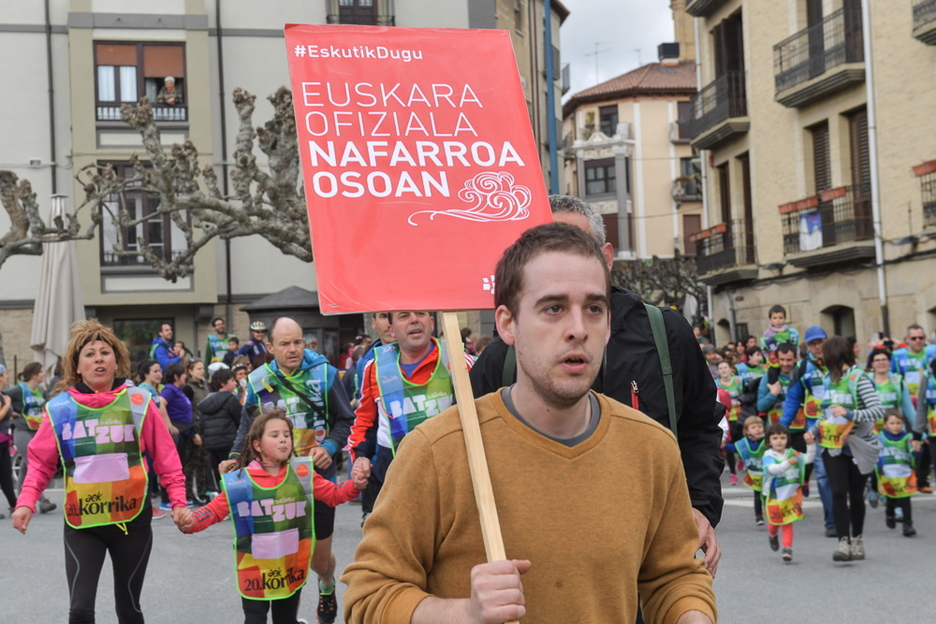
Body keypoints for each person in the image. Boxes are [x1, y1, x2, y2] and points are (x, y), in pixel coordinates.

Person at [343, 222, 716, 623]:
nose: (577, 329)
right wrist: (464, 613)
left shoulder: (651, 447)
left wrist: (691, 615)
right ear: (507, 324)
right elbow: (368, 598)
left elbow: (674, 577)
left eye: (594, 308)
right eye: (553, 308)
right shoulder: (438, 451)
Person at [469, 195, 723, 575]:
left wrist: (699, 507)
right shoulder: (503, 356)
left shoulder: (664, 334)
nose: (577, 330)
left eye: (574, 244)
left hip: (650, 558)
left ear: (605, 256)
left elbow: (700, 426)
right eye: (547, 247)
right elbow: (470, 455)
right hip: (545, 567)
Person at [11, 319, 190, 623]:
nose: (98, 359)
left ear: (116, 361)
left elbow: (166, 458)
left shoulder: (138, 402)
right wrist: (26, 501)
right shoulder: (60, 408)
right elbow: (40, 462)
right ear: (77, 366)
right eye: (90, 354)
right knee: (80, 610)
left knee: (129, 608)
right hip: (83, 523)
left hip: (131, 520)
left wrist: (179, 502)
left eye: (105, 353)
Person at [223, 316, 355, 624]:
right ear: (270, 346)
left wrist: (330, 448)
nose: (293, 349)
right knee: (285, 558)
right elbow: (247, 426)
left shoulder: (324, 373)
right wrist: (233, 456)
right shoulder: (257, 380)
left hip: (317, 479)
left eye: (298, 341)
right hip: (276, 485)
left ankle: (326, 584)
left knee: (318, 561)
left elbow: (345, 420)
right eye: (285, 344)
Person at [180, 409, 364, 624]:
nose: (283, 440)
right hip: (254, 571)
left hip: (290, 569)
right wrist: (190, 522)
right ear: (257, 445)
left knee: (285, 620)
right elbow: (214, 510)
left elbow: (333, 494)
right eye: (275, 435)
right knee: (254, 620)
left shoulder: (302, 472)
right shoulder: (241, 480)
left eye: (286, 435)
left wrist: (355, 485)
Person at [348, 310, 473, 523]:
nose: (414, 320)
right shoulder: (375, 367)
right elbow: (364, 421)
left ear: (431, 323)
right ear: (392, 329)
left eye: (421, 314)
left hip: (447, 478)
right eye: (404, 316)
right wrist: (360, 457)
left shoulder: (459, 361)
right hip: (394, 477)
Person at [804, 335, 884, 562]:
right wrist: (813, 429)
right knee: (838, 492)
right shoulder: (829, 379)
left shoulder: (859, 379)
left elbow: (878, 411)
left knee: (856, 495)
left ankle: (857, 539)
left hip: (857, 446)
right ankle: (843, 542)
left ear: (834, 355)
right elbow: (826, 412)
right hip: (832, 445)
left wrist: (850, 414)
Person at [780, 324, 835, 536]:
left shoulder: (838, 362)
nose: (818, 346)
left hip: (843, 427)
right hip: (815, 430)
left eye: (820, 341)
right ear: (807, 346)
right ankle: (832, 521)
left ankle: (844, 512)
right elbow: (793, 400)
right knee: (822, 474)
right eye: (813, 343)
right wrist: (782, 428)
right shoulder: (802, 368)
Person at [8, 361, 56, 514]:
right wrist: (9, 411)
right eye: (42, 371)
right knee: (34, 463)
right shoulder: (19, 390)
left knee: (25, 467)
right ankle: (42, 501)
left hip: (36, 431)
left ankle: (19, 501)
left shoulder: (41, 390)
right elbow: (4, 395)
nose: (44, 374)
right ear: (35, 374)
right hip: (22, 431)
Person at [893, 324, 935, 492]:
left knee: (926, 444)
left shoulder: (931, 353)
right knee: (910, 443)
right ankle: (905, 479)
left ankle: (922, 480)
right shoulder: (898, 356)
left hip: (928, 406)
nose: (918, 341)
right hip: (907, 408)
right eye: (914, 338)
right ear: (907, 339)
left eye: (921, 338)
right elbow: (893, 377)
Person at [136, 359, 178, 518]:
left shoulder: (155, 389)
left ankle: (150, 506)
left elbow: (161, 410)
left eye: (160, 371)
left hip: (155, 434)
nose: (159, 374)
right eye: (155, 371)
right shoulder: (143, 390)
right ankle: (146, 507)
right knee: (148, 471)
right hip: (146, 436)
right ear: (146, 374)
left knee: (154, 470)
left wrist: (167, 425)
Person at [762, 424, 804, 563]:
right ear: (769, 441)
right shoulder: (768, 455)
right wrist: (788, 463)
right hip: (774, 495)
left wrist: (810, 445)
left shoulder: (792, 453)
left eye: (782, 438)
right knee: (775, 522)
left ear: (787, 439)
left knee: (788, 522)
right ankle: (772, 535)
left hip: (790, 495)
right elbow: (773, 469)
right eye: (775, 438)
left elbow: (807, 459)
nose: (779, 441)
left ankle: (787, 549)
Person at [197, 367, 242, 498]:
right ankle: (233, 499)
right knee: (232, 473)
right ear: (223, 383)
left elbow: (202, 423)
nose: (236, 383)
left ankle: (222, 497)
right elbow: (240, 420)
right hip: (229, 441)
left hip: (211, 443)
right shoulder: (231, 399)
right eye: (232, 380)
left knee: (219, 473)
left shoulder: (206, 402)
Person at [876, 409, 920, 536]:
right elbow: (877, 455)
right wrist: (879, 471)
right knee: (891, 499)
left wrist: (917, 450)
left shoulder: (907, 438)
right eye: (892, 423)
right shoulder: (881, 438)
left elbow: (913, 452)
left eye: (898, 423)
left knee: (905, 500)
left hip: (904, 474)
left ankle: (908, 525)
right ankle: (890, 514)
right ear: (885, 425)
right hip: (888, 474)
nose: (896, 426)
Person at [160, 362, 195, 510]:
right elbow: (161, 403)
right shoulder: (170, 390)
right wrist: (168, 424)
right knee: (172, 464)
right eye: (183, 374)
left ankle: (178, 497)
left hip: (184, 431)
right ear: (176, 376)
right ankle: (166, 499)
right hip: (176, 431)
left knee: (181, 464)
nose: (186, 376)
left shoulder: (178, 390)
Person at [729, 415, 767, 525]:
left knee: (768, 495)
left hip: (768, 474)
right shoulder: (744, 443)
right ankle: (758, 515)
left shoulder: (767, 440)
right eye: (754, 427)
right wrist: (722, 445)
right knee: (757, 495)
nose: (758, 429)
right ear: (747, 431)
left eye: (760, 426)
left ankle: (769, 512)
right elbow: (734, 448)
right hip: (755, 475)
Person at [715, 361, 743, 486]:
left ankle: (742, 458)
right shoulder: (715, 384)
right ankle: (733, 474)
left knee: (740, 442)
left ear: (730, 369)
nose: (723, 370)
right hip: (725, 419)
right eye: (721, 368)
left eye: (725, 367)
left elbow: (746, 395)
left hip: (739, 418)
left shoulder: (738, 381)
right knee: (729, 446)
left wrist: (739, 402)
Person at [353, 312, 393, 400]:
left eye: (399, 315)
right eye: (384, 316)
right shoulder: (364, 363)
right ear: (374, 323)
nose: (390, 322)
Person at [0, 365, 16, 517]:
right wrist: (8, 405)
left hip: (3, 440)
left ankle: (14, 504)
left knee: (6, 473)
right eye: (5, 374)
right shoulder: (3, 398)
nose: (7, 376)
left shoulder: (3, 395)